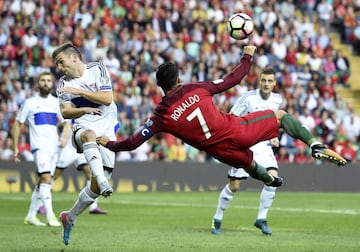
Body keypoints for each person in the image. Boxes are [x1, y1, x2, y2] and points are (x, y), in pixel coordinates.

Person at [97, 45, 346, 187]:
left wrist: (109, 143)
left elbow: (133, 142)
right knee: (279, 116)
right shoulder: (195, 88)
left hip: (220, 152)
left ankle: (271, 181)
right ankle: (315, 145)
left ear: (160, 86)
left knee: (249, 165)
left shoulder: (161, 115)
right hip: (236, 130)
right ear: (179, 79)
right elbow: (234, 78)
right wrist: (247, 55)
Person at [52, 42, 119, 245]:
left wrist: (80, 92)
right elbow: (65, 112)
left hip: (107, 129)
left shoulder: (97, 69)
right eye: (56, 64)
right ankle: (101, 178)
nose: (59, 68)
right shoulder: (63, 83)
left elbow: (107, 98)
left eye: (61, 62)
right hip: (82, 127)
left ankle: (70, 216)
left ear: (74, 57)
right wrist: (83, 110)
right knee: (88, 134)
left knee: (96, 188)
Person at [211, 68, 284, 236]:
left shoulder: (277, 100)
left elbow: (273, 122)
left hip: (263, 146)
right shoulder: (248, 98)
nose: (266, 84)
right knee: (234, 185)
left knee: (272, 178)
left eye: (269, 81)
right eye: (263, 80)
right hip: (245, 144)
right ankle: (218, 217)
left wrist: (274, 136)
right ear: (259, 80)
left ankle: (261, 218)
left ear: (274, 83)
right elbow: (231, 117)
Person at [12, 72, 63, 227]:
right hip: (39, 147)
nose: (46, 83)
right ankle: (50, 216)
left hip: (54, 148)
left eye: (49, 80)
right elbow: (17, 124)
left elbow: (65, 122)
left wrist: (65, 137)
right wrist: (15, 147)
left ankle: (31, 216)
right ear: (37, 83)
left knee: (42, 182)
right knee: (46, 178)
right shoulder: (30, 103)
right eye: (43, 80)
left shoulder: (56, 103)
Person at [38, 120, 108, 215]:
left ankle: (93, 207)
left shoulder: (84, 111)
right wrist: (64, 137)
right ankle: (41, 204)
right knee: (53, 175)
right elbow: (65, 124)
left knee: (91, 173)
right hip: (68, 148)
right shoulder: (70, 109)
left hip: (80, 148)